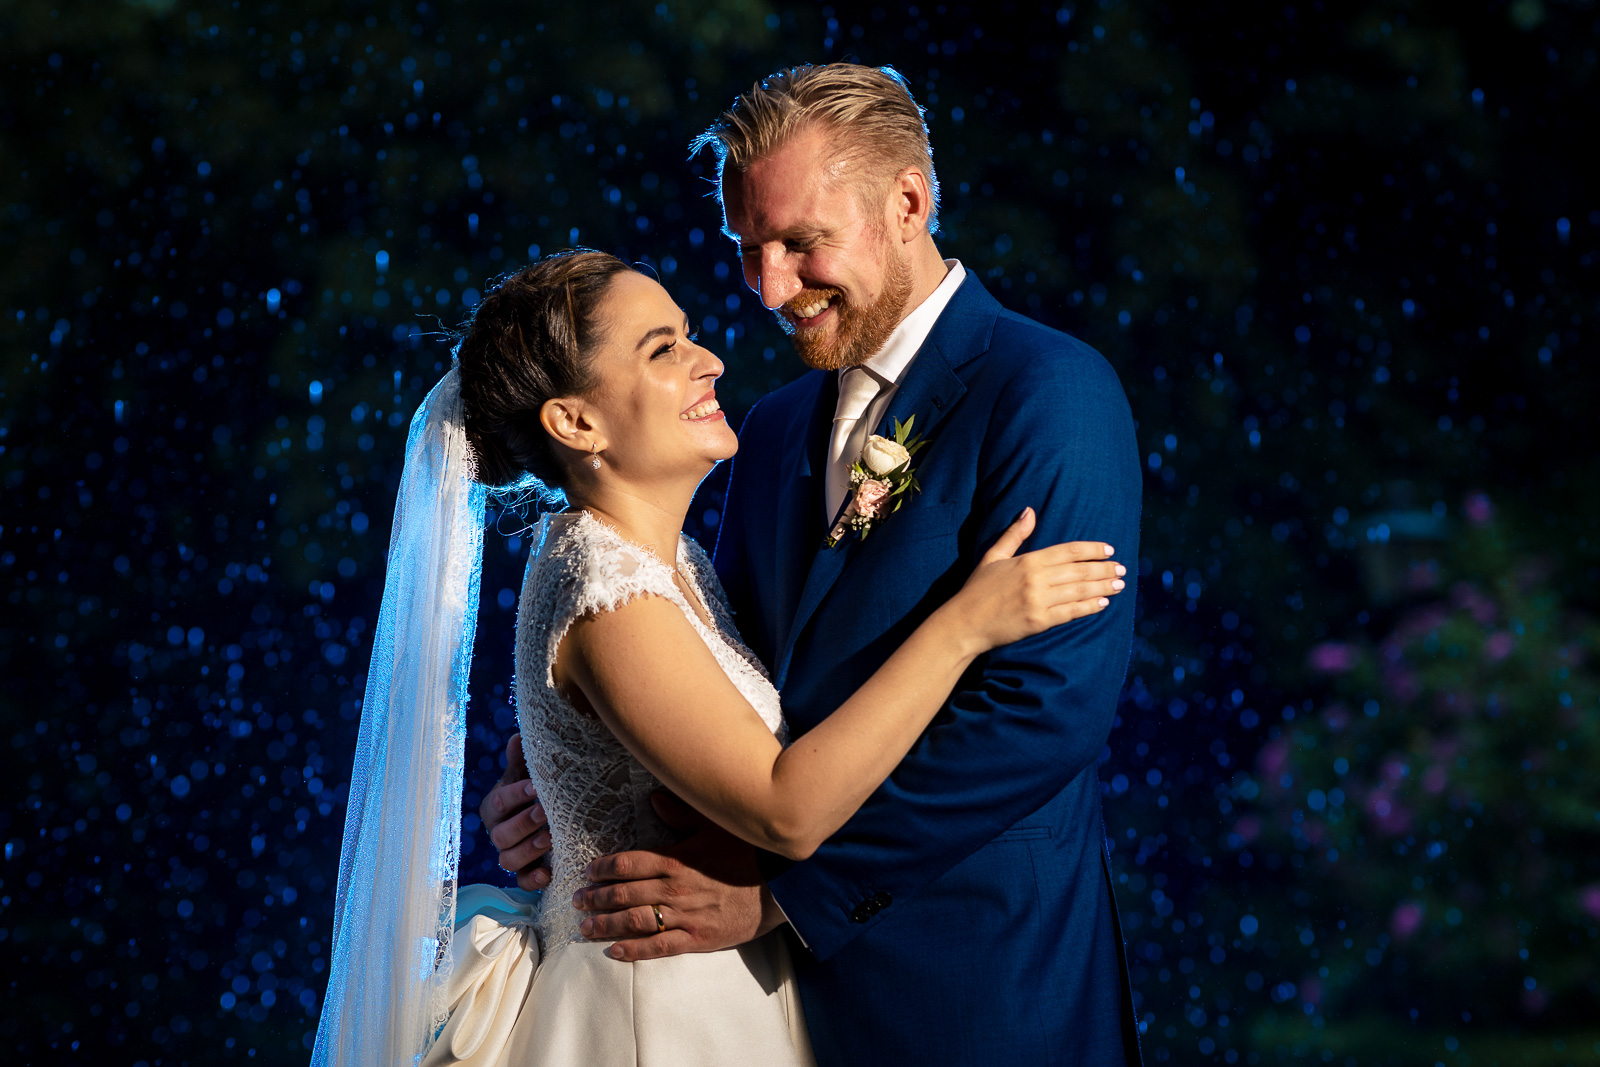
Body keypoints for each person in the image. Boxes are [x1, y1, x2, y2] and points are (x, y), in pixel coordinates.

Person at [310, 249, 1126, 1066]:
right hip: (656, 1008)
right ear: (576, 422)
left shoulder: (681, 564)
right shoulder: (603, 578)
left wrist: (559, 783)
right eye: (662, 349)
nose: (711, 359)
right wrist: (964, 626)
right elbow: (786, 807)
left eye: (688, 335)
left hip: (815, 984)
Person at [480, 64, 1145, 1065]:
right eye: (749, 251)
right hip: (769, 1003)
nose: (771, 287)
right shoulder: (774, 425)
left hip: (981, 986)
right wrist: (558, 768)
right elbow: (715, 661)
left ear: (910, 201)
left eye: (801, 243)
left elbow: (1042, 713)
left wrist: (787, 897)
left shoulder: (1048, 389)